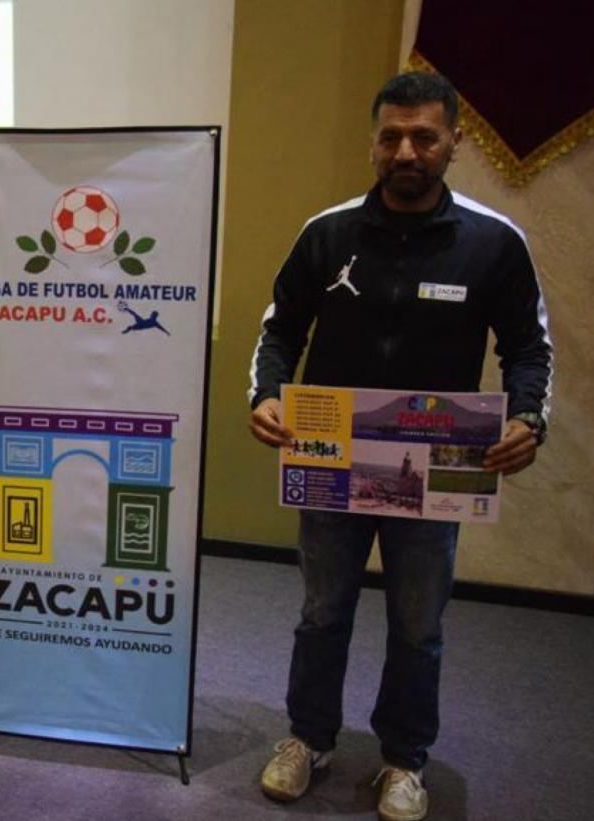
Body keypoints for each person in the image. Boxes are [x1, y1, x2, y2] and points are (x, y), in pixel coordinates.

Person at [248, 72, 553, 821]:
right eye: (390, 137)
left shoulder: (491, 242)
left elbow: (528, 347)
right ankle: (306, 738)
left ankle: (402, 760)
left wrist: (528, 418)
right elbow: (278, 330)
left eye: (423, 136)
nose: (405, 151)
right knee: (322, 612)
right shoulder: (327, 233)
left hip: (436, 468)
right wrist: (263, 395)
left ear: (452, 141)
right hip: (331, 461)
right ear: (373, 143)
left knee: (418, 622)